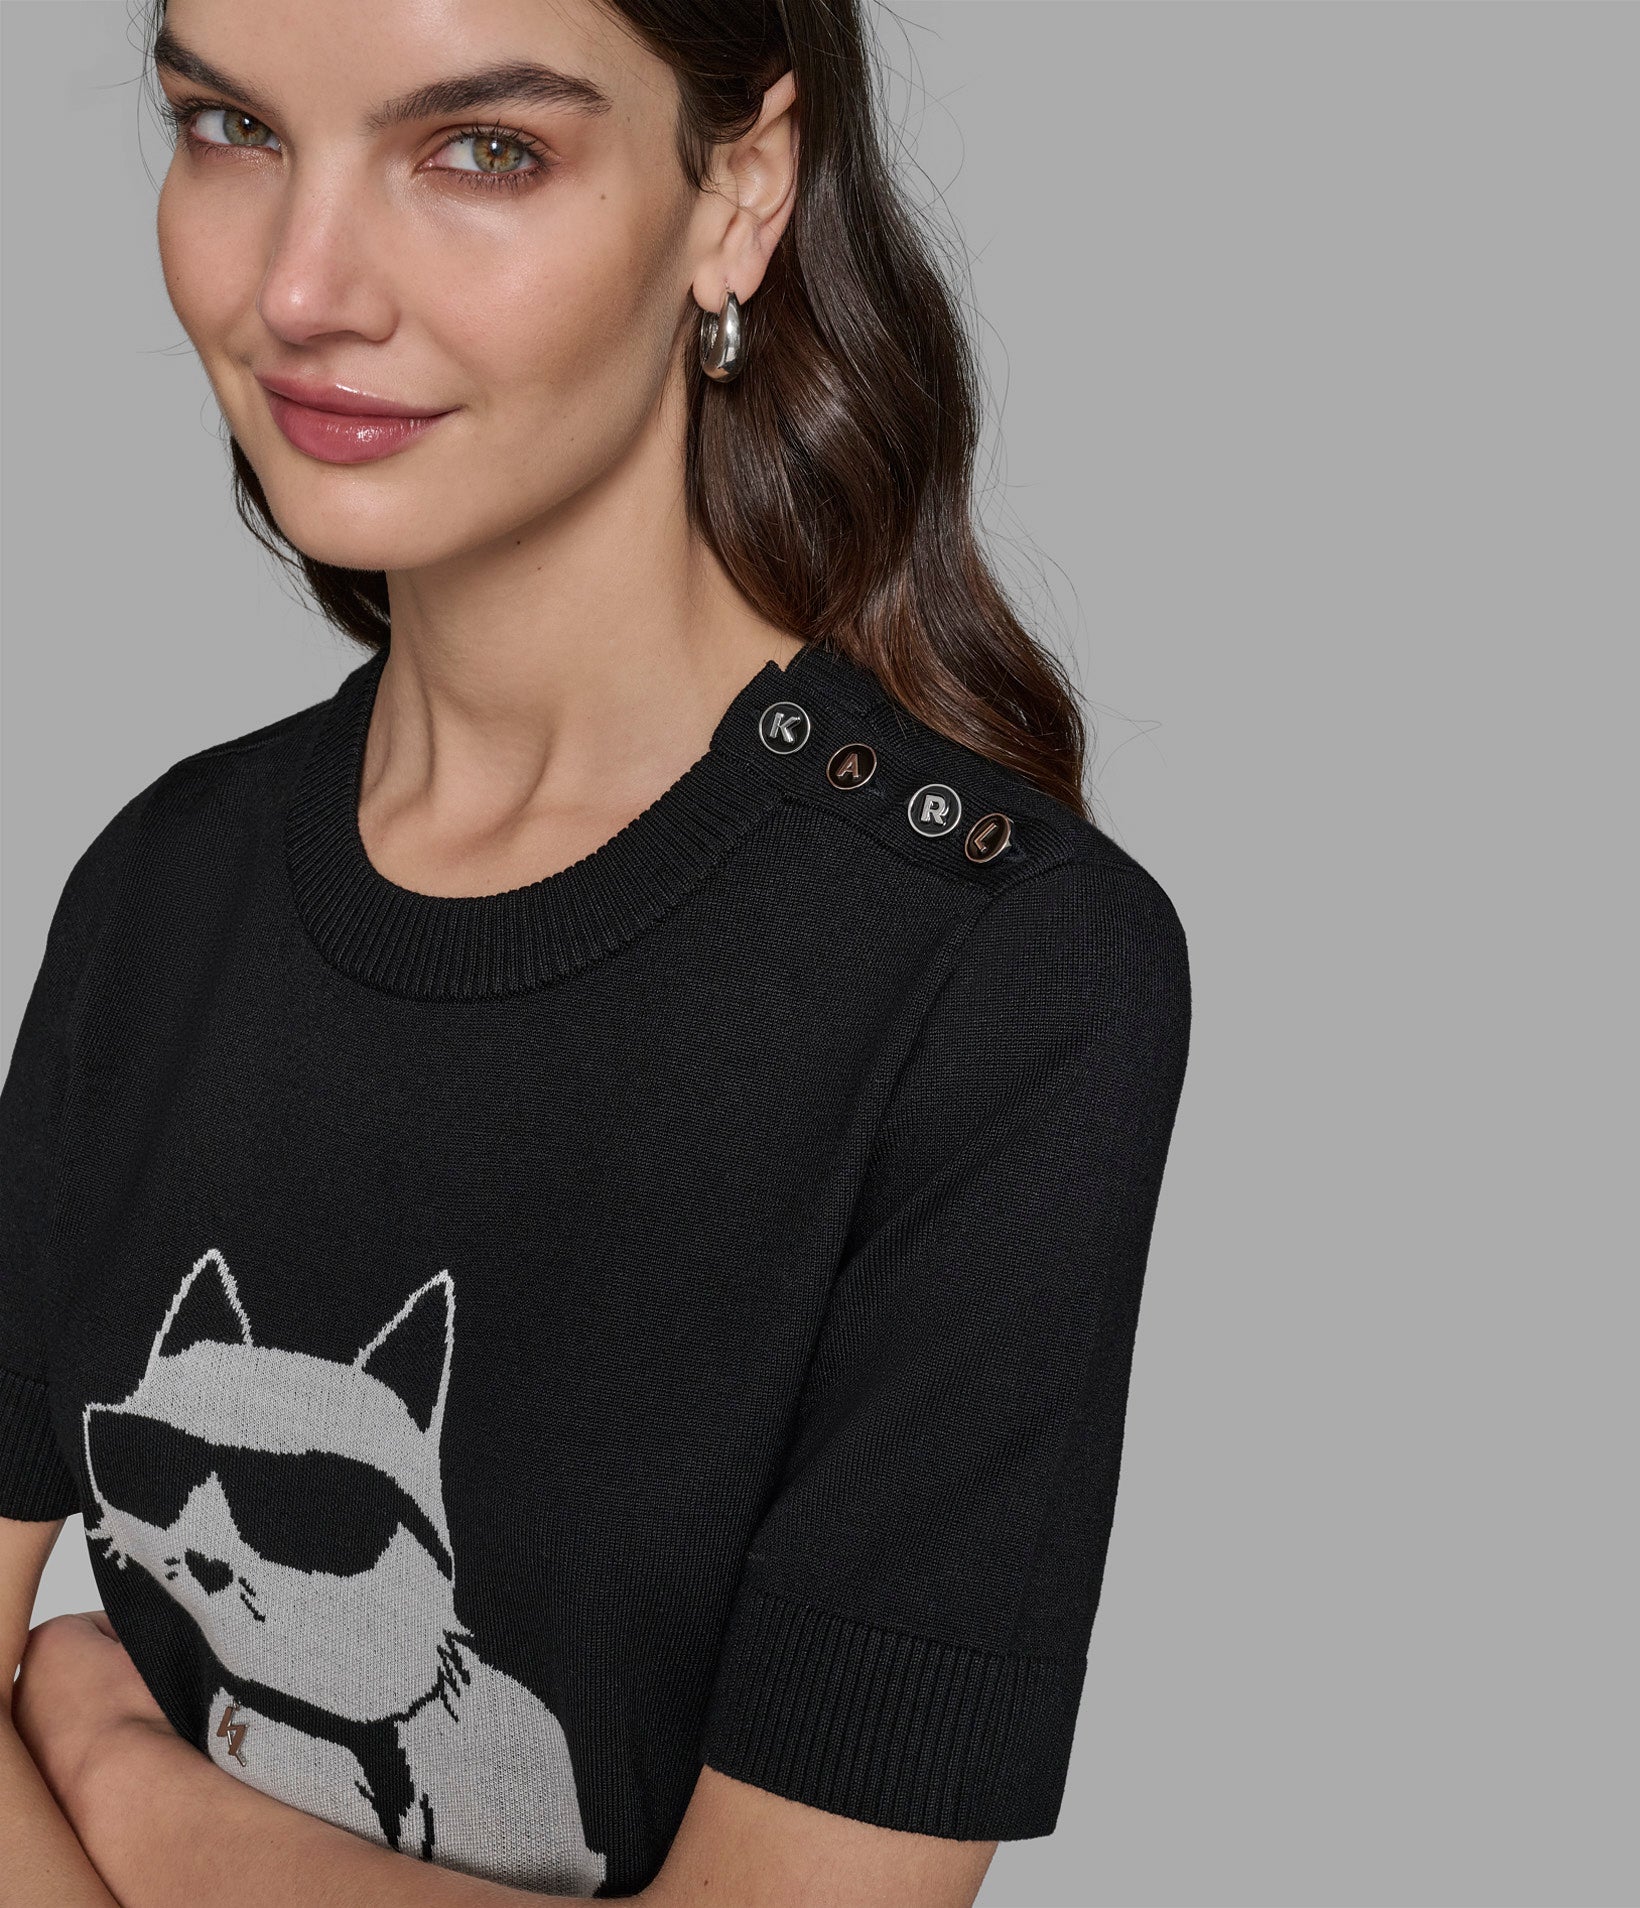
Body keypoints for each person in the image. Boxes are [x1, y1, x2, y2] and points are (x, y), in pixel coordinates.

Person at [0, 0, 1193, 1902]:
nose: (300, 289)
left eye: (483, 150)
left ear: (740, 193)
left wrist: (130, 1777)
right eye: (231, 128)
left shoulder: (1001, 972)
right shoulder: (158, 889)